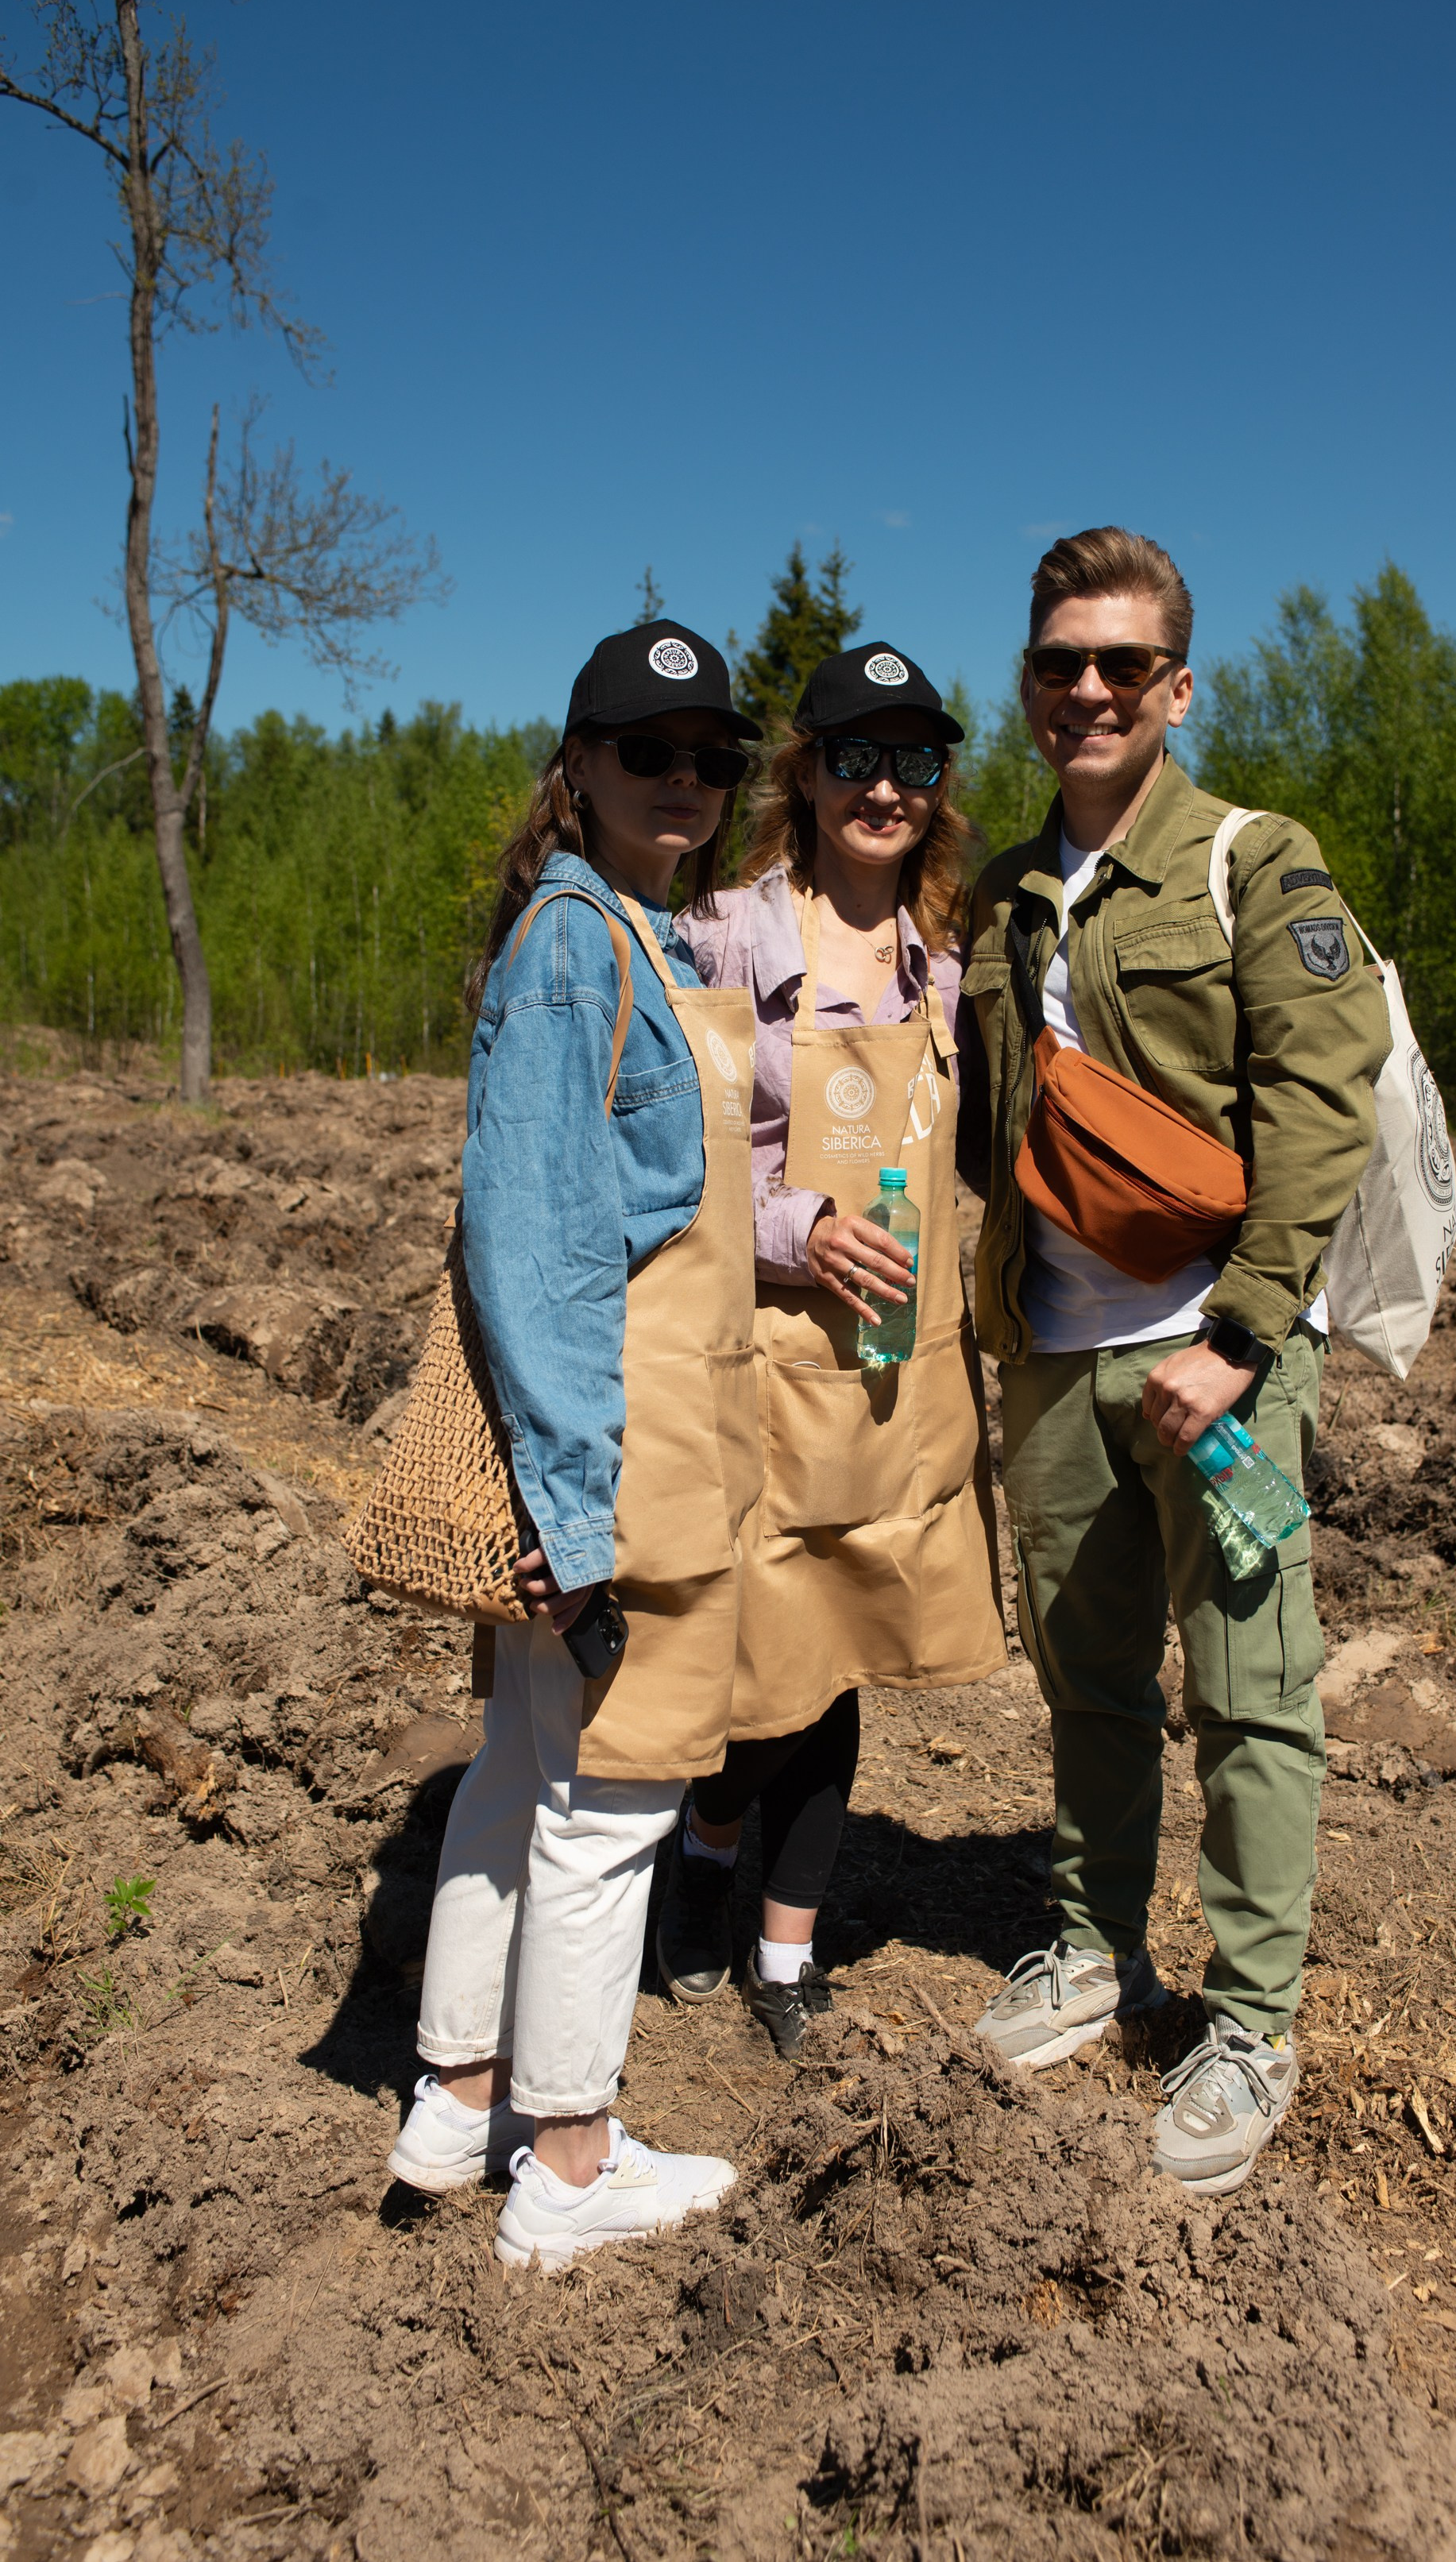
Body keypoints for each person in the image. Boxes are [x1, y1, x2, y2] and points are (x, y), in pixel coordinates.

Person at [962, 529, 1389, 2194]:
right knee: (1083, 1677)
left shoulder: (1250, 863)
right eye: (1059, 662)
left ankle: (1252, 2017)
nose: (1086, 689)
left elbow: (1315, 1112)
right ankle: (1090, 1949)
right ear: (1026, 685)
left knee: (1249, 1691)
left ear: (1175, 687)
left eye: (1119, 665)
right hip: (1056, 1362)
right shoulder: (1002, 891)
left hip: (1215, 1364)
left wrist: (1236, 1338)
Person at [387, 620, 768, 2266]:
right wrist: (569, 1496)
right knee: (611, 1795)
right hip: (616, 1433)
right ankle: (566, 2163)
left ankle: (453, 2100)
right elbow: (532, 1241)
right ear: (581, 762)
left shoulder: (635, 931)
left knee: (521, 1771)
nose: (680, 780)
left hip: (633, 1416)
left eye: (708, 757)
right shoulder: (574, 943)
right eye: (644, 749)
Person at [662, 640, 1005, 2054]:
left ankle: (784, 1956)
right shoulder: (729, 933)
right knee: (764, 1661)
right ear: (804, 771)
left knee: (846, 1643)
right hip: (767, 1349)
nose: (885, 785)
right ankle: (705, 1847)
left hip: (897, 1372)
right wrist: (798, 1225)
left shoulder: (953, 960)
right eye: (854, 755)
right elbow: (672, 1150)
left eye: (915, 760)